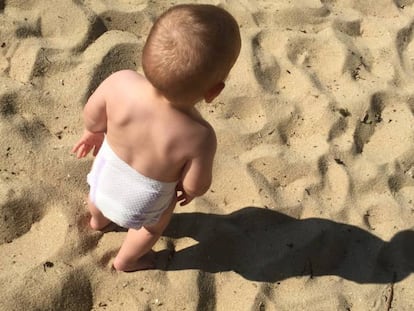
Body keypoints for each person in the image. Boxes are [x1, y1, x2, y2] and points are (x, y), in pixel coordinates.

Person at [71, 4, 241, 272]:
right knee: (150, 228)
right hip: (146, 197)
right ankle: (128, 260)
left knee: (98, 197)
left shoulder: (121, 82)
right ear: (214, 91)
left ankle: (98, 221)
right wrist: (188, 191)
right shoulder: (200, 135)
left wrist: (91, 133)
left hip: (106, 172)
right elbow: (195, 184)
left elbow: (92, 116)